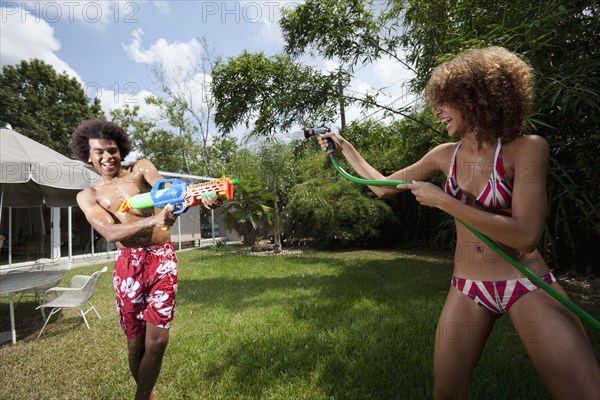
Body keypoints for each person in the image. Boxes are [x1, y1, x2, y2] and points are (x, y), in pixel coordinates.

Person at [318, 46, 599, 399]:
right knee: (446, 394)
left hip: (524, 282)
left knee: (584, 391)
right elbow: (380, 186)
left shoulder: (526, 148)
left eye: (446, 100)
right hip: (468, 287)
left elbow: (526, 236)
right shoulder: (443, 155)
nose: (436, 110)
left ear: (477, 98)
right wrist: (344, 147)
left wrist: (444, 201)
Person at [70, 119, 223, 400]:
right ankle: (148, 396)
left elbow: (170, 190)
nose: (107, 157)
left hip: (161, 258)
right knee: (135, 344)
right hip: (127, 264)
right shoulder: (88, 195)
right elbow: (108, 231)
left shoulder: (141, 169)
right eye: (99, 152)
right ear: (88, 156)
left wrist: (202, 197)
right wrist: (154, 218)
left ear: (121, 149)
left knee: (159, 340)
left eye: (112, 150)